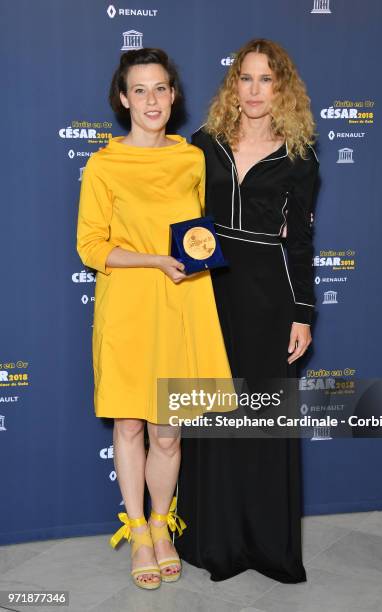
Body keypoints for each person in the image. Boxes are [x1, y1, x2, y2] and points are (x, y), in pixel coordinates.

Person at [76, 48, 232, 590]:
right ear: (123, 99)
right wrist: (152, 260)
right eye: (139, 90)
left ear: (174, 94)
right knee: (130, 423)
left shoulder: (191, 158)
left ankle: (164, 525)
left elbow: (201, 232)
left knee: (168, 431)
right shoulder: (103, 163)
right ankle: (138, 530)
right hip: (129, 305)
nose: (151, 99)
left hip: (183, 301)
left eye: (160, 88)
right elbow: (91, 246)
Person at [177, 38, 319, 582]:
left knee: (262, 418)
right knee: (212, 413)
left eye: (265, 79)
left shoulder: (298, 157)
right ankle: (214, 541)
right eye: (245, 78)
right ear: (232, 86)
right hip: (206, 290)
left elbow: (302, 241)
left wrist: (302, 312)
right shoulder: (203, 144)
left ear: (281, 88)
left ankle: (267, 545)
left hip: (268, 295)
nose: (254, 90)